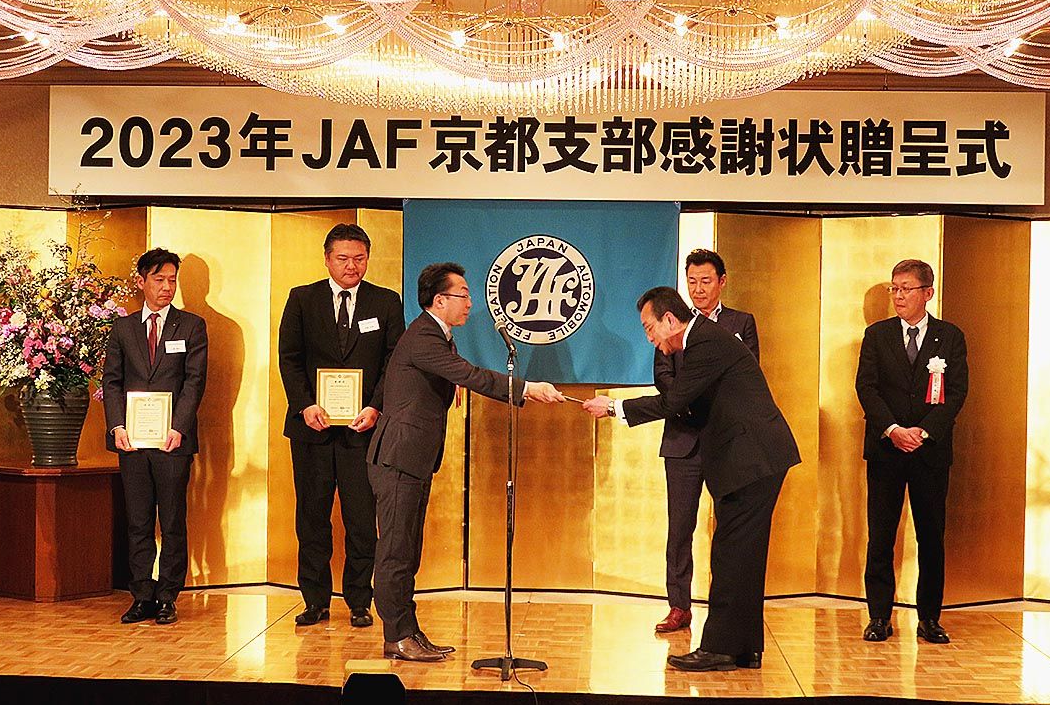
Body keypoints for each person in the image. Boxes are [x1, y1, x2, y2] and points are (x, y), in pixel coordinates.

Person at [583, 287, 798, 672]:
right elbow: (691, 405)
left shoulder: (705, 342)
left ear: (669, 320)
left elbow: (673, 402)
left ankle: (719, 649)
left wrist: (614, 407)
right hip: (753, 460)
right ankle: (745, 648)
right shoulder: (702, 340)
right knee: (743, 557)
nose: (649, 338)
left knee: (731, 556)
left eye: (649, 328)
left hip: (753, 460)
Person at [368, 262, 565, 662]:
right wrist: (526, 388)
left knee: (408, 550)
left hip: (414, 458)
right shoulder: (424, 336)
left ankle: (408, 630)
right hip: (399, 457)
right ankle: (396, 635)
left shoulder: (439, 336)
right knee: (395, 551)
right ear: (439, 300)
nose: (470, 303)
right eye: (463, 295)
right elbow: (471, 376)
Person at [279, 223, 405, 628]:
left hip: (362, 430)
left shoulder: (386, 302)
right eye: (343, 258)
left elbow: (393, 362)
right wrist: (304, 405)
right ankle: (315, 600)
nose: (352, 266)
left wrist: (376, 407)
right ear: (327, 258)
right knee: (311, 518)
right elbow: (289, 358)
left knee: (361, 519)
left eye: (359, 258)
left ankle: (359, 600)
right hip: (312, 430)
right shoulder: (302, 299)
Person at [856, 259, 968, 645]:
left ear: (928, 293)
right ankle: (878, 617)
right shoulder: (877, 335)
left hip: (929, 452)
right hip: (886, 450)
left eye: (907, 288)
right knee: (881, 536)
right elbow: (866, 388)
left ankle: (929, 619)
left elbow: (957, 391)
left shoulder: (949, 336)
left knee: (931, 537)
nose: (899, 296)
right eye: (895, 288)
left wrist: (923, 431)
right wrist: (893, 429)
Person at [654, 249, 760, 633]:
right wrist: (687, 401)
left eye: (706, 281)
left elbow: (746, 374)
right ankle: (678, 606)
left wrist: (696, 396)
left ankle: (723, 606)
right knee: (680, 527)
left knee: (729, 528)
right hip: (682, 440)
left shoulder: (741, 323)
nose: (698, 289)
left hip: (726, 443)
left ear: (722, 282)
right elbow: (664, 379)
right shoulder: (672, 322)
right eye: (692, 281)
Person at [103, 248, 208, 626]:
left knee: (173, 519)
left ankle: (167, 596)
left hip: (171, 442)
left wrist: (178, 426)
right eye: (159, 279)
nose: (167, 287)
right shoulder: (123, 328)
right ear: (141, 282)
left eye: (172, 280)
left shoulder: (191, 326)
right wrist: (117, 426)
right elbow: (112, 381)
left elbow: (194, 382)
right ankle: (141, 595)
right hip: (132, 441)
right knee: (138, 520)